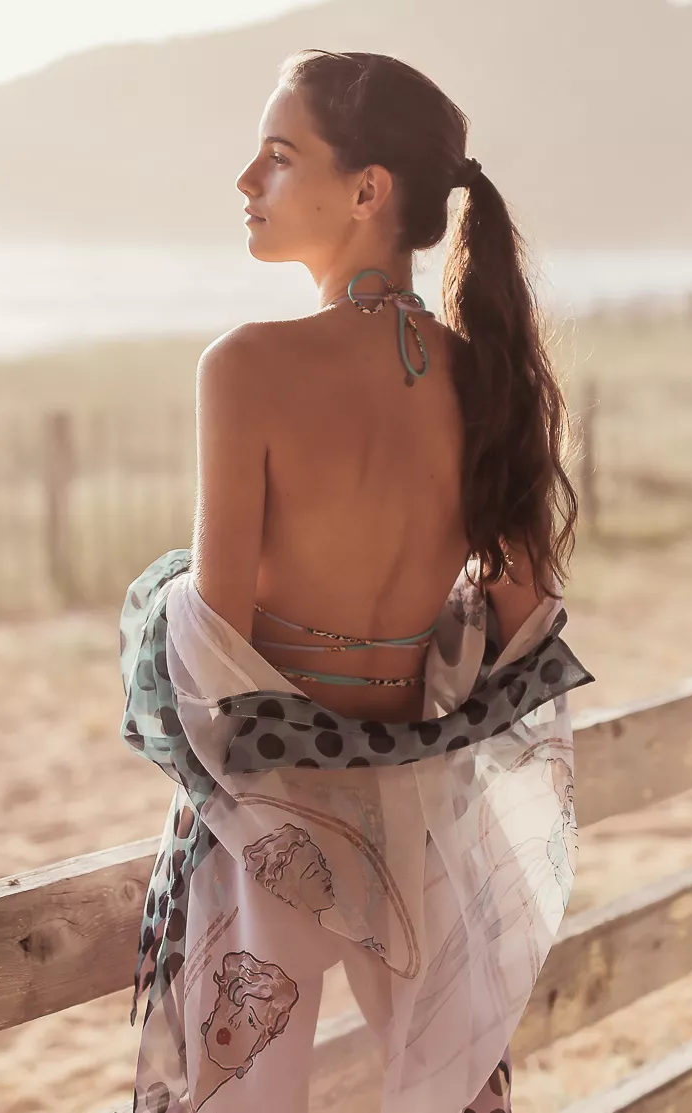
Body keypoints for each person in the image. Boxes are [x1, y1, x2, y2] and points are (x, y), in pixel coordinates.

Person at [119, 49, 594, 1113]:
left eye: (279, 157)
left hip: (275, 823)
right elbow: (526, 624)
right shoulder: (485, 372)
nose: (246, 181)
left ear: (368, 190)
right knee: (458, 1094)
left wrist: (152, 604)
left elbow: (213, 640)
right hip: (418, 815)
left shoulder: (244, 366)